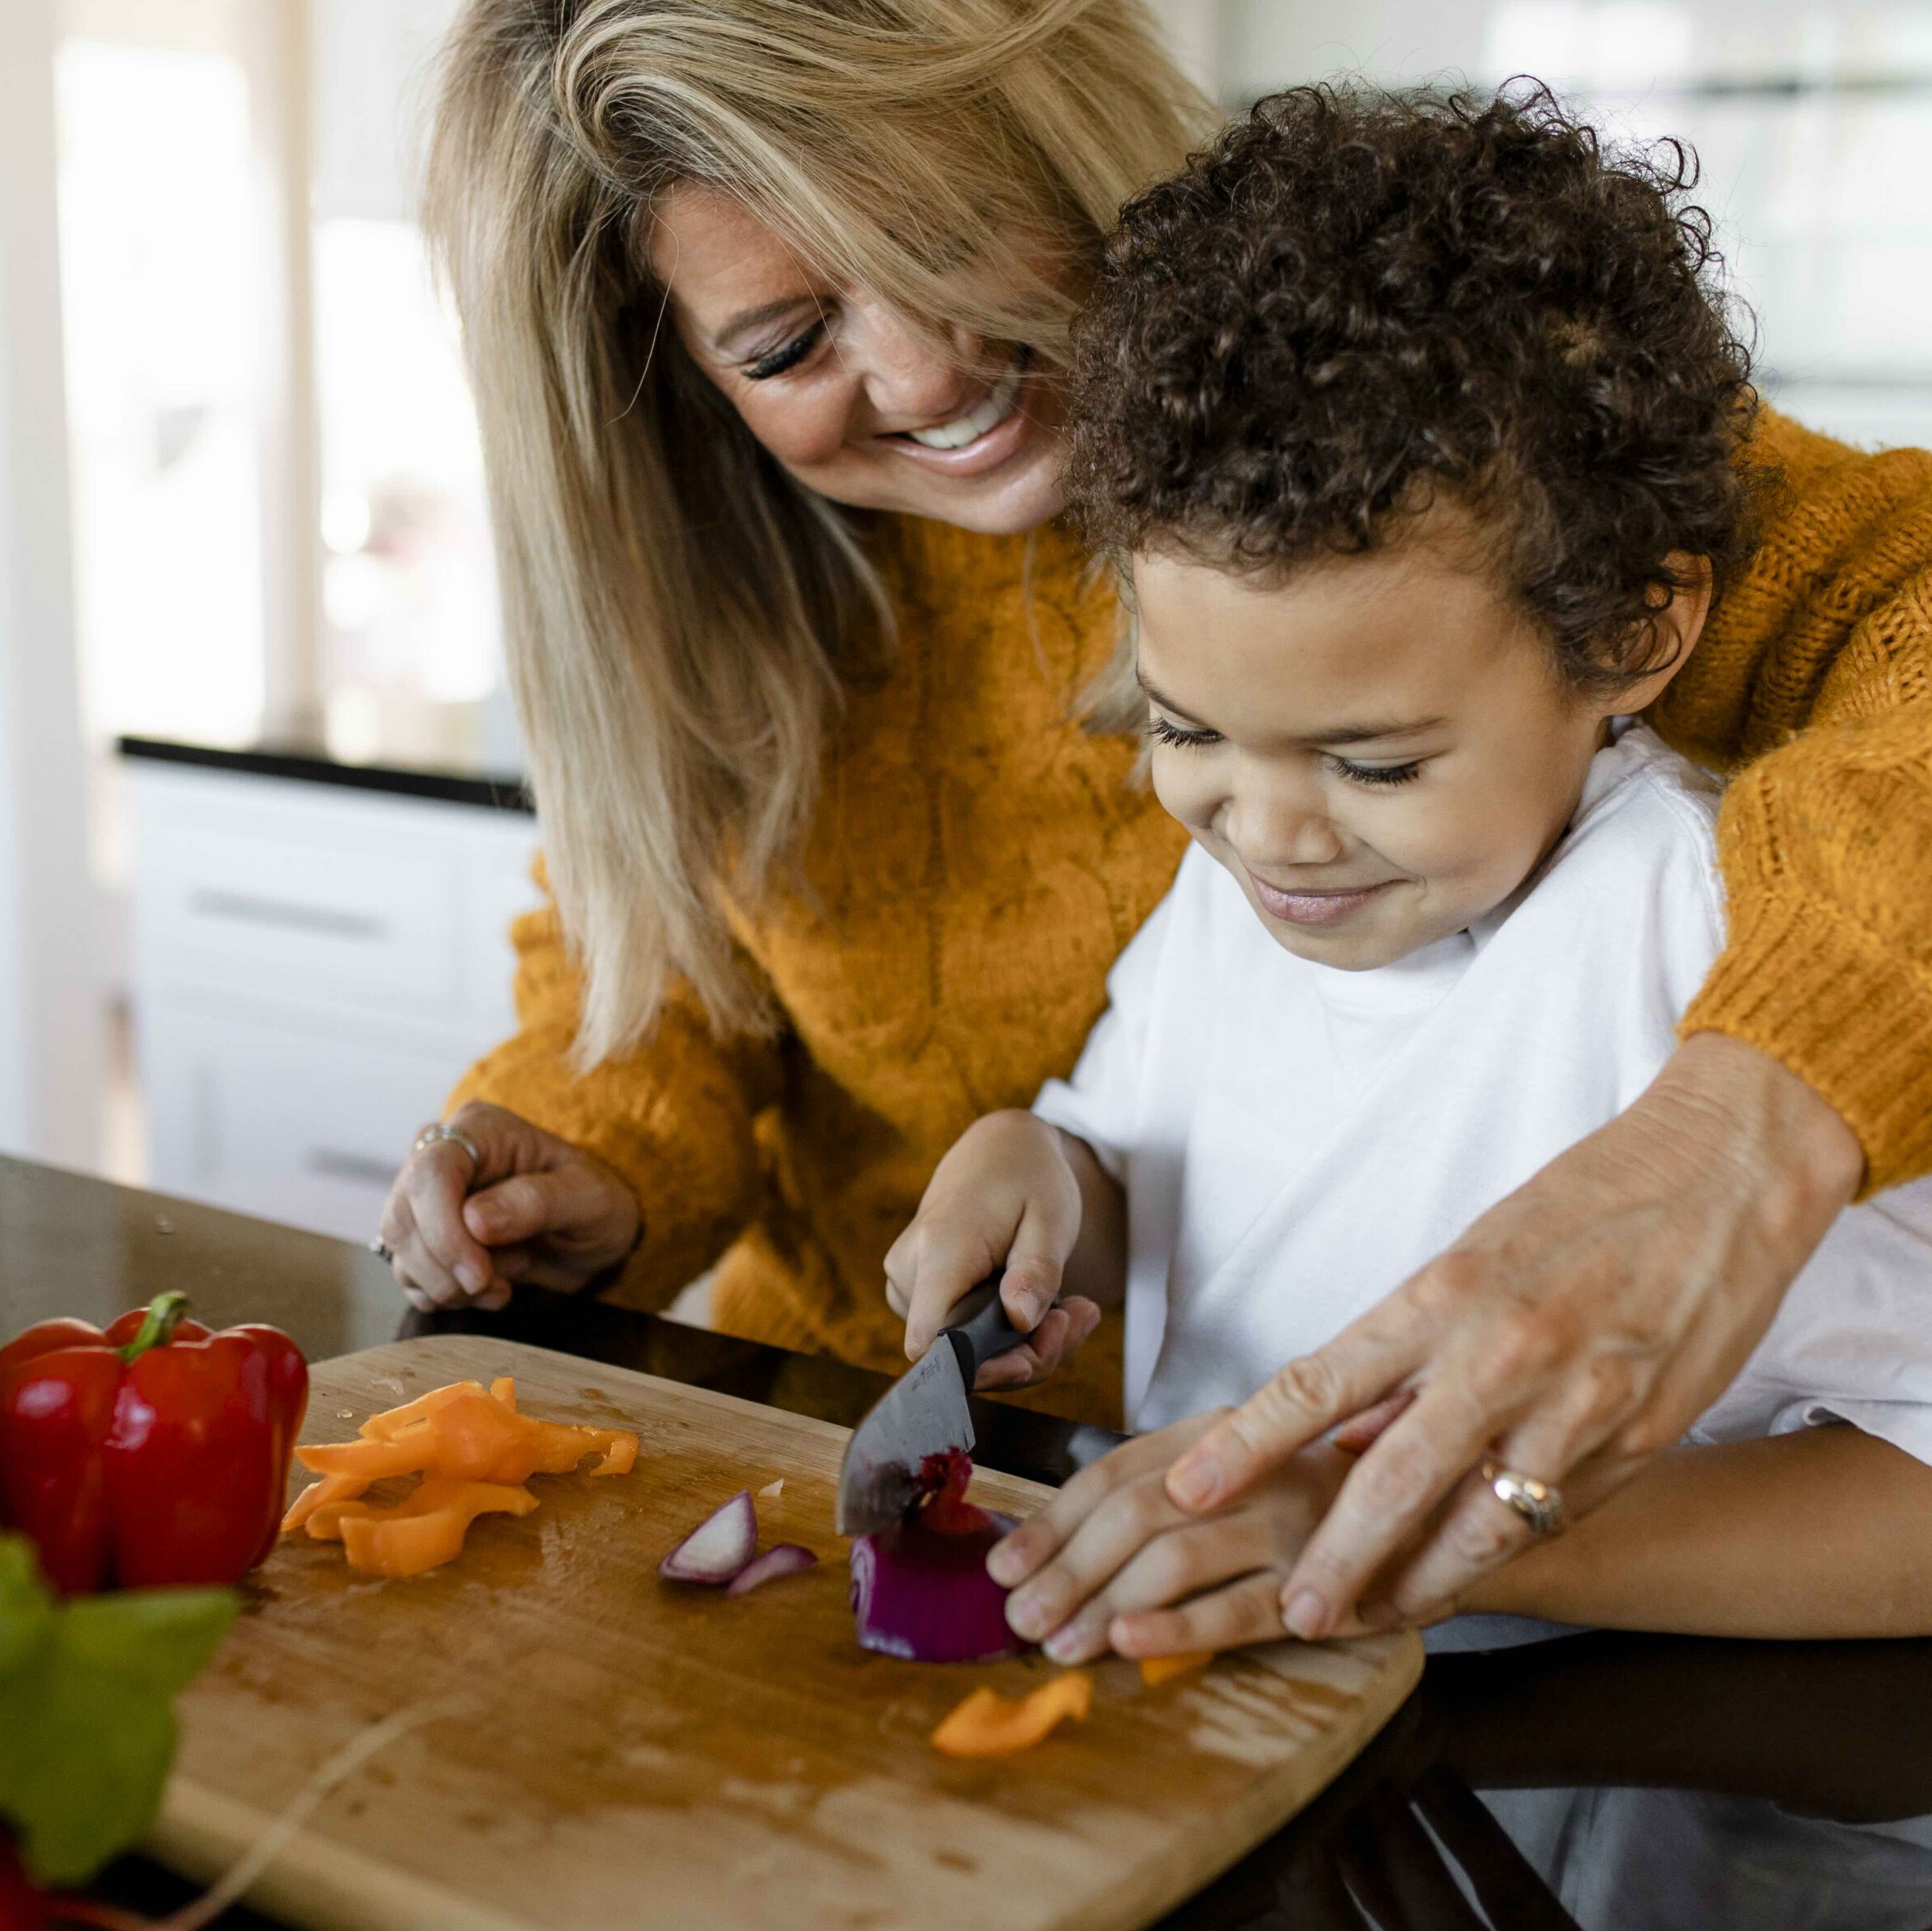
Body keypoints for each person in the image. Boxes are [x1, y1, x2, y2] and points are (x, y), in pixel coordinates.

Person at [381, 0, 1932, 1635]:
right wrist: (592, 1161)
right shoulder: (1211, 863)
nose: (921, 370)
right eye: (782, 345)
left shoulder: (1465, 446)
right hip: (1015, 1503)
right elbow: (693, 981)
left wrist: (1735, 1129)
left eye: (939, 234)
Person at [887, 85, 1932, 1659]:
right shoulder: (1245, 879)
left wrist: (1408, 1533)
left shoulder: (1727, 933)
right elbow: (1148, 1171)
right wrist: (1041, 1178)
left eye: (1376, 763)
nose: (1270, 828)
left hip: (1597, 1830)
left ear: (1639, 632)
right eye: (1190, 729)